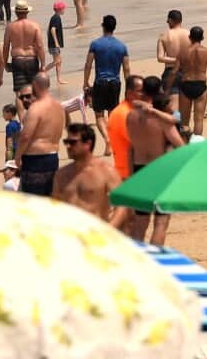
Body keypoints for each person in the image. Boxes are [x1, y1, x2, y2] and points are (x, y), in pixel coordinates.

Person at [127, 76, 186, 245]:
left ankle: (137, 261)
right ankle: (155, 262)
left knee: (140, 223)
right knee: (161, 222)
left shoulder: (130, 116)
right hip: (159, 171)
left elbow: (130, 148)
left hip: (139, 170)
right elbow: (180, 146)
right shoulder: (161, 119)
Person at [54, 123, 129, 229]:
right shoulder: (61, 174)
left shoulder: (106, 171)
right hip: (69, 234)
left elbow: (122, 204)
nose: (68, 146)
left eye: (72, 142)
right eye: (66, 142)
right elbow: (54, 206)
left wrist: (110, 228)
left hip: (95, 233)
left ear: (88, 144)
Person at [85, 15, 130, 155]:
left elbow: (88, 64)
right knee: (112, 114)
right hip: (115, 83)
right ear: (114, 27)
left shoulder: (95, 44)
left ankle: (107, 140)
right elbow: (126, 69)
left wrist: (85, 82)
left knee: (99, 115)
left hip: (100, 82)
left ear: (103, 26)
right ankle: (113, 140)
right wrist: (129, 88)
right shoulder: (122, 47)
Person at [15, 73, 63, 197]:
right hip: (53, 157)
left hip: (35, 160)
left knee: (34, 201)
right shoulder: (58, 106)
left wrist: (17, 157)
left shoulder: (35, 108)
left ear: (35, 85)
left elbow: (26, 136)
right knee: (49, 199)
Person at [175, 27, 207, 138]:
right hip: (200, 86)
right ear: (202, 37)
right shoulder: (206, 52)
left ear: (189, 37)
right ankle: (197, 143)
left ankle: (185, 143)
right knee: (198, 119)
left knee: (184, 121)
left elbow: (174, 71)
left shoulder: (183, 52)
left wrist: (169, 87)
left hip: (185, 86)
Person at [2, 0, 46, 100]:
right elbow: (39, 46)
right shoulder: (35, 25)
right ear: (27, 12)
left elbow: (6, 47)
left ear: (16, 12)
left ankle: (21, 115)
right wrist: (43, 64)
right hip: (32, 60)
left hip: (18, 60)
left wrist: (5, 63)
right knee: (33, 90)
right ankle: (33, 114)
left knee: (19, 92)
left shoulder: (10, 27)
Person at [107, 75, 143, 180]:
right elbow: (139, 142)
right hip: (128, 174)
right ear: (129, 93)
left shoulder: (132, 109)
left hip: (134, 170)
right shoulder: (123, 114)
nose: (145, 94)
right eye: (141, 91)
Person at [157, 9, 189, 95]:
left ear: (171, 20)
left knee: (172, 104)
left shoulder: (164, 36)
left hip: (170, 71)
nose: (167, 23)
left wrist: (176, 60)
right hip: (188, 71)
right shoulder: (189, 34)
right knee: (187, 103)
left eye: (168, 21)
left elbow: (160, 58)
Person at [45, 1, 67, 86]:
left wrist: (49, 40)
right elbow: (52, 30)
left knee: (59, 61)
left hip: (52, 43)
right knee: (57, 61)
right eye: (63, 8)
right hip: (54, 44)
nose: (64, 10)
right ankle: (41, 72)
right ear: (59, 9)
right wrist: (56, 43)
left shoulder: (54, 17)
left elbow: (48, 30)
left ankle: (59, 79)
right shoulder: (56, 18)